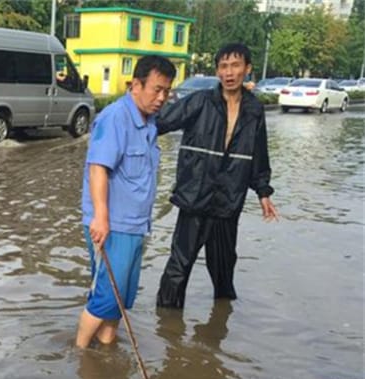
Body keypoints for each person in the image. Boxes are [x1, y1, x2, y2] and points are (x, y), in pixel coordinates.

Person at [155, 43, 278, 309]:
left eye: (235, 66)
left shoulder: (254, 110)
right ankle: (166, 327)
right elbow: (159, 123)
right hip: (194, 199)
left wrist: (263, 192)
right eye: (223, 66)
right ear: (217, 70)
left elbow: (258, 155)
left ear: (247, 69)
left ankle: (220, 326)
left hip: (227, 202)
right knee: (179, 267)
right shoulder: (200, 102)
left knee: (223, 271)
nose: (229, 72)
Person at [76, 55, 176, 349]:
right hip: (112, 225)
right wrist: (101, 217)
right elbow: (98, 168)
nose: (161, 98)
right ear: (136, 85)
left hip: (134, 226)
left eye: (166, 91)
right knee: (107, 295)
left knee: (121, 298)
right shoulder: (116, 117)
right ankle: (79, 353)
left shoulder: (149, 122)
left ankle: (106, 349)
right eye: (156, 89)